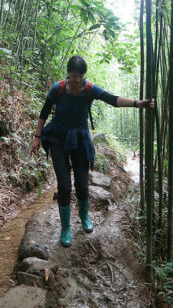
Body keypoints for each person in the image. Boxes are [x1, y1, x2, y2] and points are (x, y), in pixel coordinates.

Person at [29, 55, 155, 247]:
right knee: (63, 185)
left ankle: (84, 215)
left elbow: (112, 99)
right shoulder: (58, 88)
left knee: (81, 182)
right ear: (68, 73)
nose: (77, 80)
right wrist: (37, 137)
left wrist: (138, 103)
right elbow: (44, 113)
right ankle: (65, 228)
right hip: (58, 138)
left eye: (80, 77)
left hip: (80, 139)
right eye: (74, 76)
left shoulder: (89, 89)